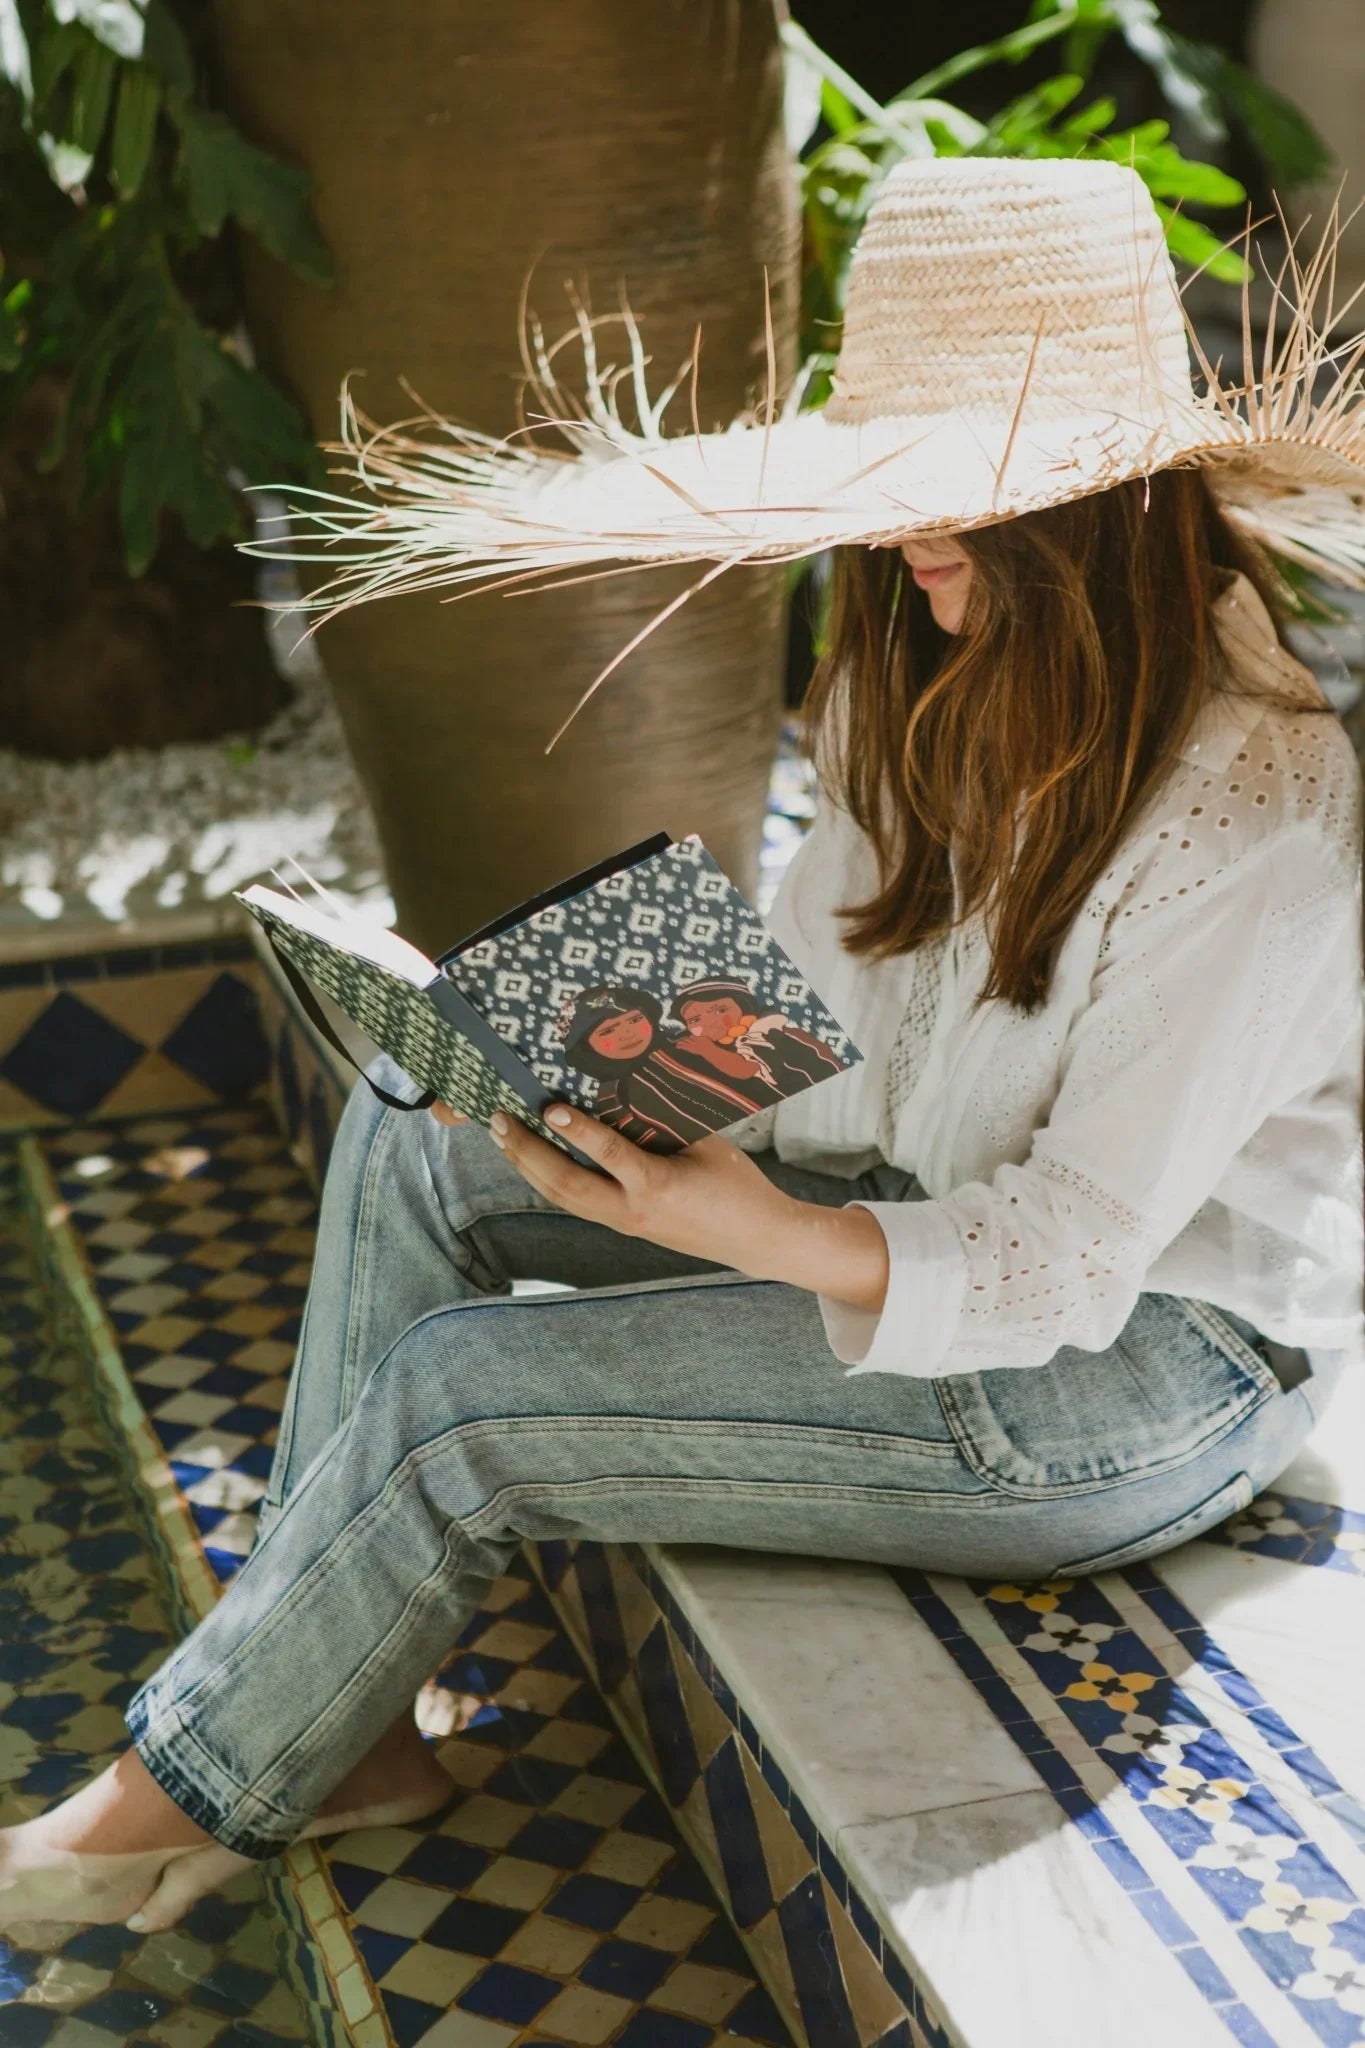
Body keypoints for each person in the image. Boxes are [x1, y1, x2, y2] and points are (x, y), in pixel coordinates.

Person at [4, 156, 1362, 1935]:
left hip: (1147, 1370)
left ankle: (156, 1800)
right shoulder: (913, 666)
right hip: (921, 1205)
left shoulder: (1254, 801)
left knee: (466, 1399)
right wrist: (574, 1054)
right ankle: (346, 1735)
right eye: (894, 482)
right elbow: (820, 1021)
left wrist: (750, 1226)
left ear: (1105, 501)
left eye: (961, 491)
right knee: (417, 1129)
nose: (908, 533)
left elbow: (1069, 1257)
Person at [559, 982, 782, 1149]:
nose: (628, 1033)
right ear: (585, 1046)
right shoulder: (613, 1099)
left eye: (634, 1020)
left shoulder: (690, 1042)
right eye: (608, 1031)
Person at [666, 976, 846, 1101]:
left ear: (744, 1007)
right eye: (694, 1020)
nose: (710, 1023)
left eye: (720, 1010)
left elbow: (746, 1069)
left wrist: (708, 1050)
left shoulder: (762, 1033)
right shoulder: (726, 1044)